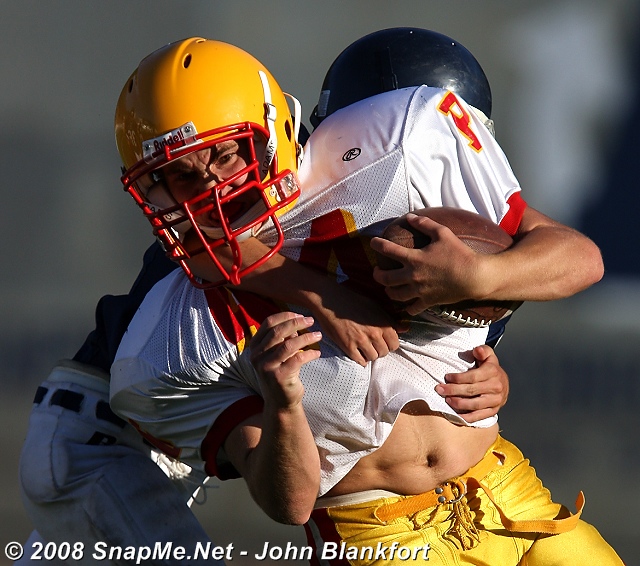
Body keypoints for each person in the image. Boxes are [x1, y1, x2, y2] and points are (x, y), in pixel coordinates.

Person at [109, 31, 622, 565]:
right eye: (180, 175)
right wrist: (283, 406)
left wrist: (479, 280)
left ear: (272, 129)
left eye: (224, 154)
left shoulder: (393, 150)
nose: (212, 187)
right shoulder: (170, 338)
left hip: (505, 491)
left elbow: (580, 261)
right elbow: (289, 504)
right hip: (379, 539)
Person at [15, 33, 507, 565]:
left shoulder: (417, 213)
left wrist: (485, 371)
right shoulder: (262, 204)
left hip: (165, 436)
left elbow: (439, 334)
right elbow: (211, 255)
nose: (445, 163)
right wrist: (320, 295)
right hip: (103, 433)